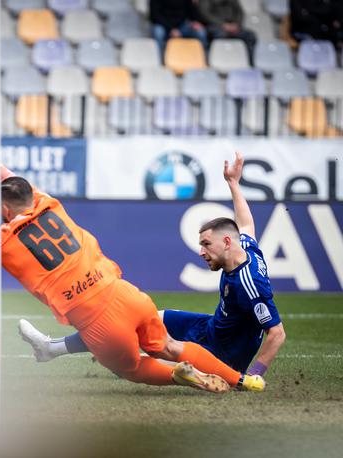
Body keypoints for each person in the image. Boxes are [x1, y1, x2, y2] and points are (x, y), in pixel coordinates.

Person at [0, 122, 266, 393]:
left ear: (4, 210)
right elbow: (8, 179)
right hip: (127, 295)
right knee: (173, 344)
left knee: (128, 368)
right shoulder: (47, 202)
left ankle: (178, 377)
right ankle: (241, 381)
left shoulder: (0, 240)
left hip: (97, 321)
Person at [19, 152, 286, 380]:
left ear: (227, 242)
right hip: (211, 328)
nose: (201, 251)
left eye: (206, 244)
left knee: (136, 351)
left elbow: (276, 333)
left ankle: (70, 351)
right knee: (143, 318)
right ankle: (51, 348)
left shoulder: (250, 283)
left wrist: (254, 375)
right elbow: (247, 224)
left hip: (221, 355)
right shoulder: (246, 247)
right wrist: (233, 183)